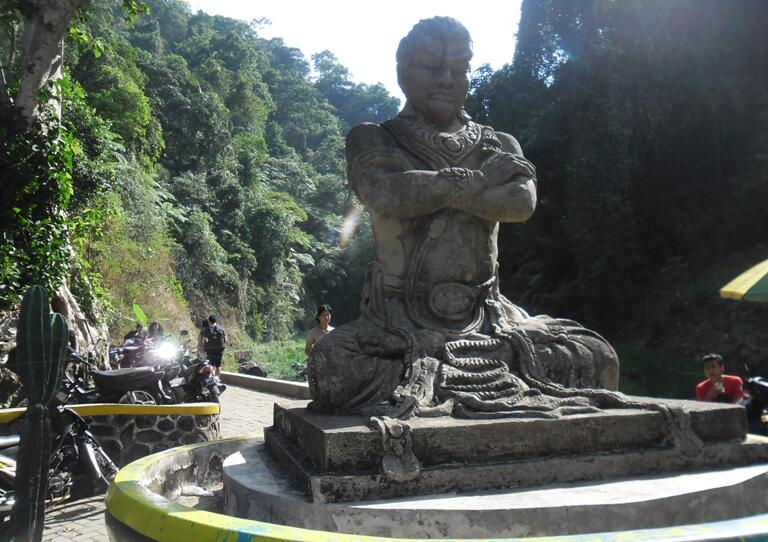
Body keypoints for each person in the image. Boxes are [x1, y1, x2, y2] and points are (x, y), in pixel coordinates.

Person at [307, 17, 620, 419]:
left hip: (491, 319)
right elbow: (387, 195)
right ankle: (449, 374)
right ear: (403, 70)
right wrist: (482, 182)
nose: (446, 78)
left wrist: (439, 188)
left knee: (597, 356)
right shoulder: (373, 137)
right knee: (333, 365)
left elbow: (520, 202)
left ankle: (447, 375)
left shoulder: (498, 141)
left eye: (459, 68)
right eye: (430, 66)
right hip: (398, 321)